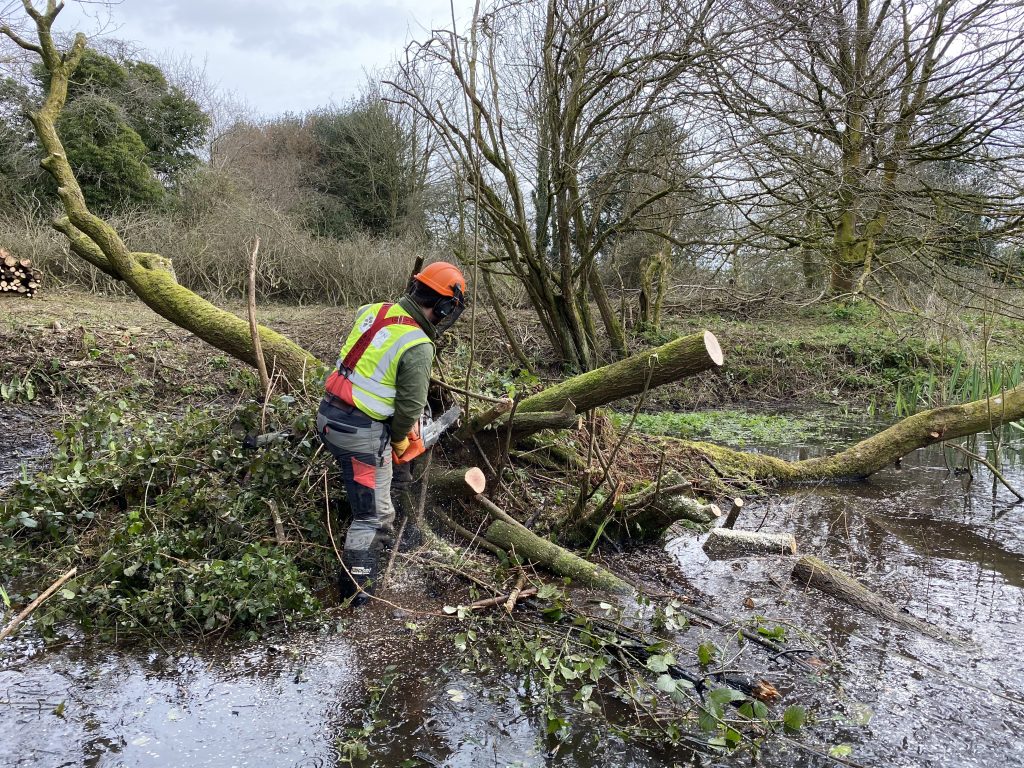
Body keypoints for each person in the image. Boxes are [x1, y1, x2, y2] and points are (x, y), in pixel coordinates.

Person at [316, 262, 467, 605]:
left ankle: (395, 509)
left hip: (329, 414)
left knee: (388, 479)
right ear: (444, 307)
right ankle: (356, 595)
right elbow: (411, 407)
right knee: (373, 517)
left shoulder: (373, 310)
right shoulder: (418, 344)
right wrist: (400, 438)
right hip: (358, 434)